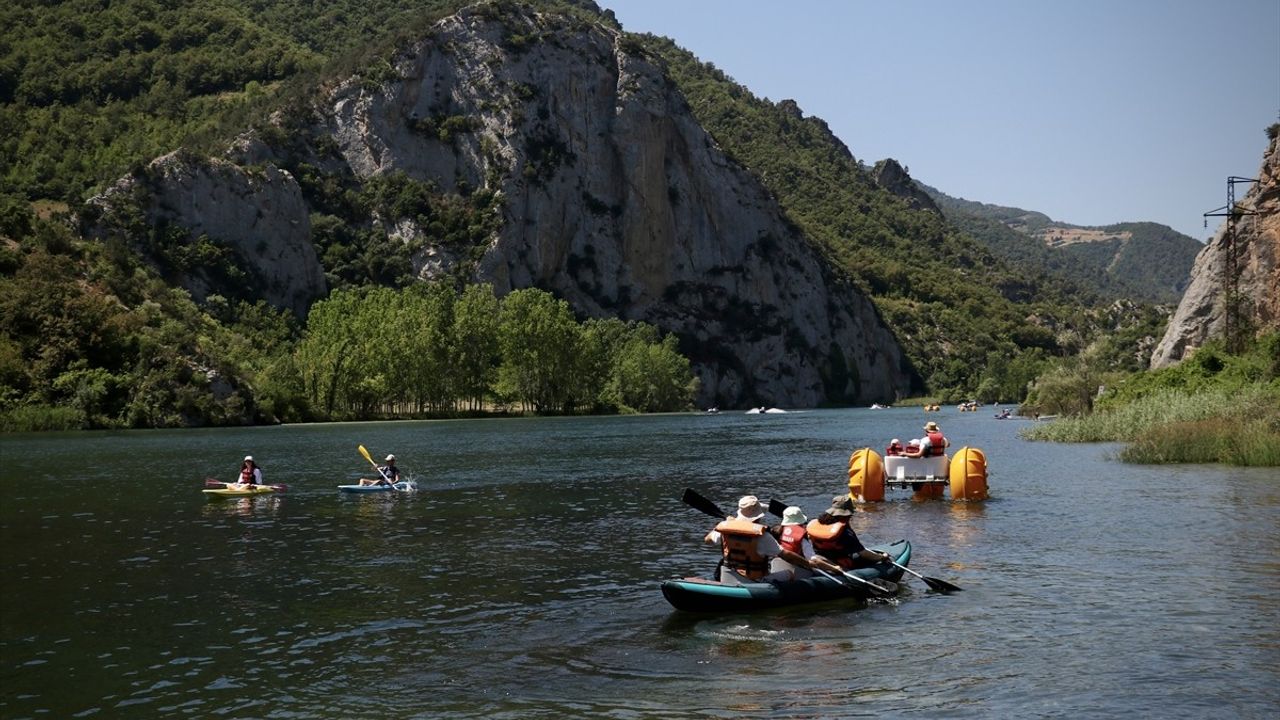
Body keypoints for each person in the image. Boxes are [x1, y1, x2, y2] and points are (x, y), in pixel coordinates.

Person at [703, 496, 829, 584]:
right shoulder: (762, 536)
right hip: (754, 580)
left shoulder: (724, 529)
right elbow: (786, 555)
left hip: (728, 575)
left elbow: (707, 540)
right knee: (789, 574)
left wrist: (725, 524)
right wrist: (808, 564)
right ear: (758, 517)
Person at [805, 494, 892, 570]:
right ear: (848, 514)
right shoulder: (846, 532)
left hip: (819, 560)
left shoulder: (818, 523)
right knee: (867, 560)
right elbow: (863, 554)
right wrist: (882, 557)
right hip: (839, 564)